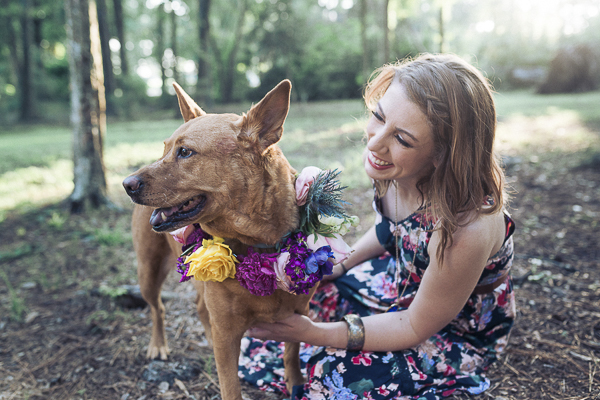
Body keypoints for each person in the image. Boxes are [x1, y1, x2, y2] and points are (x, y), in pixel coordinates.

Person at [239, 53, 516, 400]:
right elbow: (391, 230)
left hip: (450, 325)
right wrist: (338, 266)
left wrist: (311, 333)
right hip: (399, 281)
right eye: (378, 116)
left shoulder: (467, 228)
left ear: (444, 154)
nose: (374, 143)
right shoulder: (396, 169)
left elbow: (414, 324)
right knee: (300, 296)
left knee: (332, 374)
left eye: (402, 138)